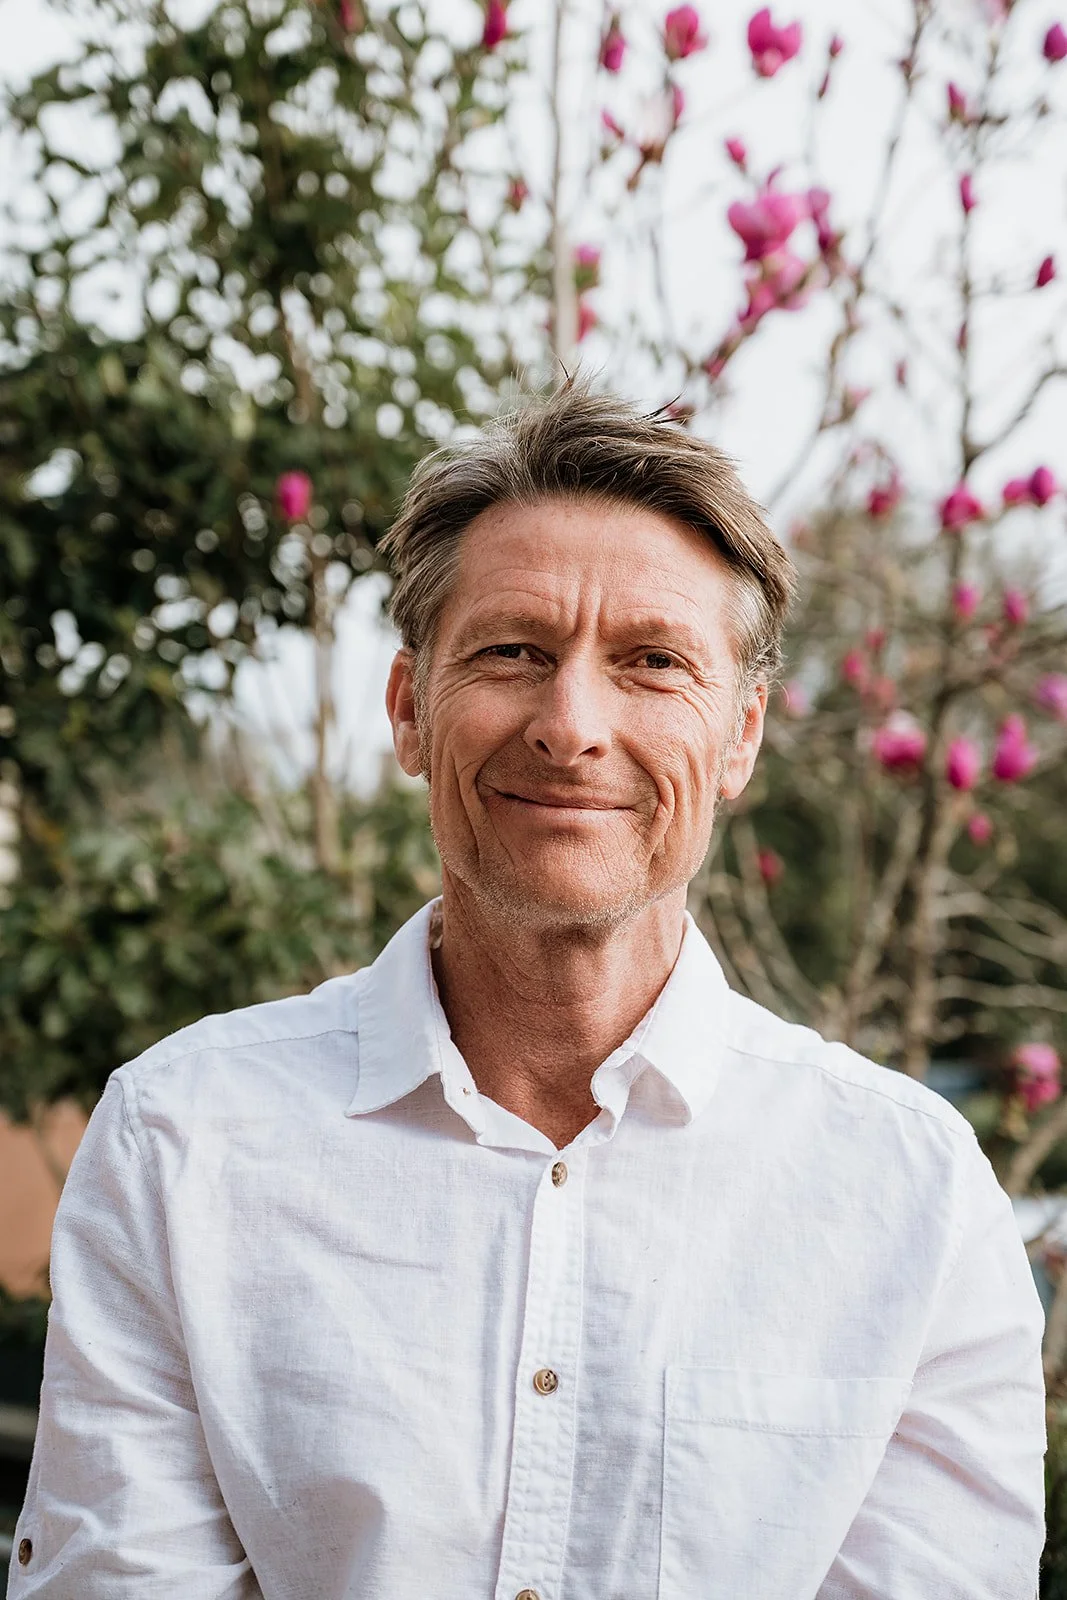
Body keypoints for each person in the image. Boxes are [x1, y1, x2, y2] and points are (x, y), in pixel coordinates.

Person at [9, 382, 1045, 1599]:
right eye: (511, 651)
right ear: (408, 708)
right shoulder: (179, 1142)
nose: (569, 725)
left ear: (740, 738)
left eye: (652, 662)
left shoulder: (911, 1197)